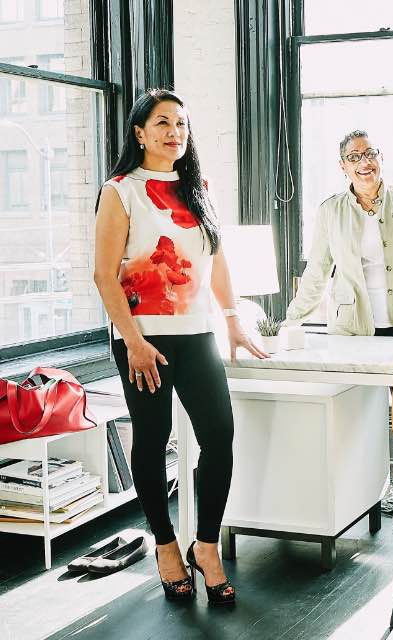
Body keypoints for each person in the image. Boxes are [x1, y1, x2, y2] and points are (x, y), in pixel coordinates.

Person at [92, 89, 268, 605]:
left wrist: (233, 320)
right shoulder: (120, 190)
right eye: (163, 122)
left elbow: (216, 260)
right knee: (152, 438)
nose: (175, 132)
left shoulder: (198, 187)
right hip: (141, 339)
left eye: (182, 124)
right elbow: (104, 276)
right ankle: (166, 547)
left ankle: (205, 546)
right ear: (139, 132)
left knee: (220, 433)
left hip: (196, 334)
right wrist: (133, 342)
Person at [285, 130, 393, 337]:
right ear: (343, 166)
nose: (364, 163)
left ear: (380, 157)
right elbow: (316, 273)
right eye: (354, 157)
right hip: (350, 327)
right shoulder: (330, 210)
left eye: (370, 154)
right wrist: (290, 322)